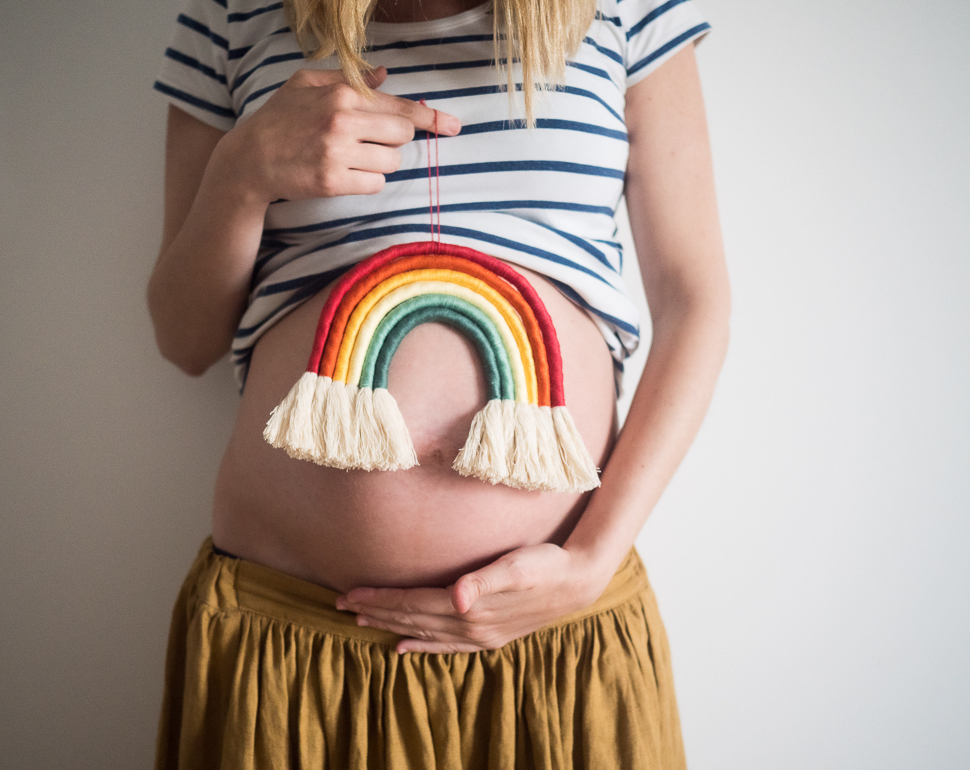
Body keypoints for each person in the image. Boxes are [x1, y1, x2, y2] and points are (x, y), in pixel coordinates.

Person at [147, 0, 729, 765]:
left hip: (552, 649)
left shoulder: (623, 8)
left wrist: (590, 564)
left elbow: (696, 303)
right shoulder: (234, 14)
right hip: (292, 653)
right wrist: (239, 176)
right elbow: (183, 339)